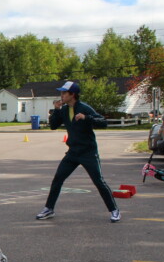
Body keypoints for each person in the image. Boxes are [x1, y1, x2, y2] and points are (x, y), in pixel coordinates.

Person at [35, 81, 121, 223]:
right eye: (61, 93)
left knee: (98, 181)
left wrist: (86, 118)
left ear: (72, 94)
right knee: (58, 179)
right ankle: (49, 209)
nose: (61, 95)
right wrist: (56, 110)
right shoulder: (63, 110)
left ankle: (114, 210)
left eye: (64, 93)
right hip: (73, 152)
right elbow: (53, 126)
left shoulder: (84, 108)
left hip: (88, 152)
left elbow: (103, 122)